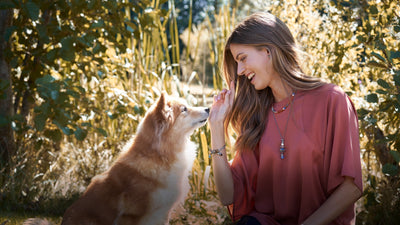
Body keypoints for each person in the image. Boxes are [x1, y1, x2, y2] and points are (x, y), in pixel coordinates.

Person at [208, 12, 363, 225]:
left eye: (242, 59)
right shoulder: (257, 116)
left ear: (268, 50)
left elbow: (351, 187)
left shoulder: (331, 100)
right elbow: (227, 196)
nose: (241, 71)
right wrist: (216, 127)